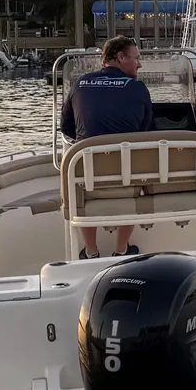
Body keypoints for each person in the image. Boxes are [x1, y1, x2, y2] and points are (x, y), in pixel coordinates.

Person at [61, 35, 152, 259]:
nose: (139, 64)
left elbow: (67, 129)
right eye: (136, 58)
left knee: (80, 187)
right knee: (137, 171)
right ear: (120, 57)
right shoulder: (138, 88)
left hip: (87, 180)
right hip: (126, 179)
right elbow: (147, 132)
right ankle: (121, 249)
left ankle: (91, 251)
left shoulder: (79, 84)